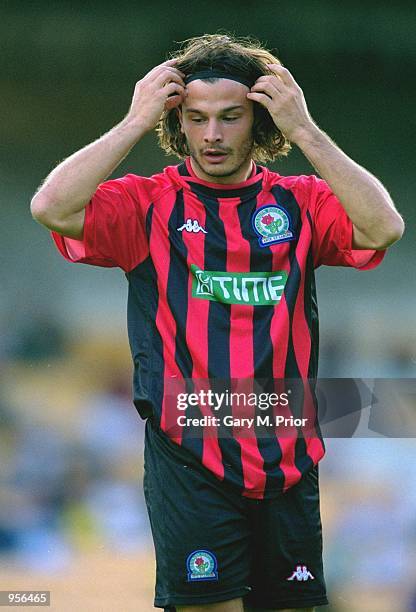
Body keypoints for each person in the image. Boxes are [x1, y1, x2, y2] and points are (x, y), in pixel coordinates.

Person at [30, 33, 404, 612]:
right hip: (190, 455)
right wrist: (133, 122)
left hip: (287, 452)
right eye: (196, 118)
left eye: (231, 117)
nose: (211, 135)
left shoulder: (300, 202)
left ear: (259, 122)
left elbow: (383, 228)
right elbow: (52, 207)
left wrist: (306, 130)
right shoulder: (148, 204)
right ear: (176, 122)